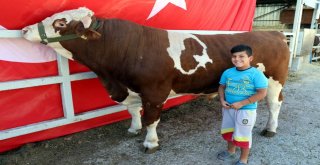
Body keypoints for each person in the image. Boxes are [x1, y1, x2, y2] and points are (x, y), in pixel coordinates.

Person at [217, 44, 268, 165]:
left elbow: (262, 93)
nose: (237, 59)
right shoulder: (228, 72)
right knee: (229, 130)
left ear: (250, 58)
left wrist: (242, 103)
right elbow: (221, 87)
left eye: (241, 56)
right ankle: (230, 151)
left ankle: (243, 160)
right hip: (228, 108)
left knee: (244, 134)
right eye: (234, 56)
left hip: (246, 110)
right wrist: (222, 100)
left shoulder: (256, 74)